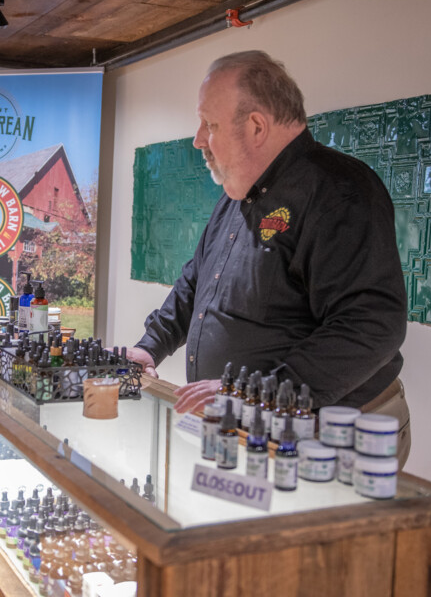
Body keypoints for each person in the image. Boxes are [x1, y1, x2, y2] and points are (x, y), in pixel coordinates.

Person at [126, 51, 410, 464]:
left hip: (332, 438)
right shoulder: (236, 196)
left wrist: (253, 395)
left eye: (211, 124)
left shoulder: (339, 191)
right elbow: (196, 284)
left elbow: (372, 325)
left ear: (257, 126)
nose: (198, 139)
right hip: (249, 427)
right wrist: (151, 347)